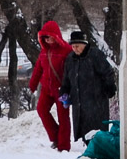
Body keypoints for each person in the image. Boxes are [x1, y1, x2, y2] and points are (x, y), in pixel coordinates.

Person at [60, 30, 117, 144]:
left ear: (84, 44)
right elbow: (66, 79)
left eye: (77, 46)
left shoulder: (95, 55)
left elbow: (108, 73)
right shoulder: (70, 59)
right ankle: (89, 154)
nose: (74, 49)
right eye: (72, 46)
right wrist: (64, 92)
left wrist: (109, 87)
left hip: (96, 101)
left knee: (97, 132)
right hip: (79, 103)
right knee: (84, 132)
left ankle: (98, 155)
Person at [28, 20, 72, 151]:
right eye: (44, 37)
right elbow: (38, 69)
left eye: (49, 36)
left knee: (63, 117)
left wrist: (68, 88)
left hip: (61, 89)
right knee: (41, 110)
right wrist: (33, 84)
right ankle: (56, 137)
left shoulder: (67, 50)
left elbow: (70, 70)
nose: (47, 40)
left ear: (56, 35)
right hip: (47, 88)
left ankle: (63, 145)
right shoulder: (44, 51)